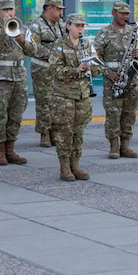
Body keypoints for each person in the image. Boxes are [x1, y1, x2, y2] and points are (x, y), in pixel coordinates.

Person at [0, 0, 41, 165]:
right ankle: (0, 151)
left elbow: (34, 50)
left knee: (16, 114)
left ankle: (10, 149)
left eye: (11, 9)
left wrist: (21, 40)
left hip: (19, 76)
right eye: (5, 10)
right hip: (0, 77)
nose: (9, 13)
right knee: (0, 114)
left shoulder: (23, 28)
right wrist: (4, 33)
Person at [47, 13, 100, 182]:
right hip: (64, 96)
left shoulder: (87, 44)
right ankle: (65, 168)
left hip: (83, 95)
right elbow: (54, 70)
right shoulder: (59, 45)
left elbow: (98, 68)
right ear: (68, 26)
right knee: (65, 132)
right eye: (77, 26)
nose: (80, 29)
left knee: (78, 132)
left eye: (82, 26)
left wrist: (91, 66)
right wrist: (76, 70)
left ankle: (75, 165)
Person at [93, 0, 138, 159]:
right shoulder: (104, 33)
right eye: (122, 13)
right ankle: (114, 146)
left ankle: (125, 146)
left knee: (130, 113)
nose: (125, 16)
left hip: (132, 79)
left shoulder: (134, 32)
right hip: (113, 80)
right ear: (113, 13)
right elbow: (95, 58)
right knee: (113, 114)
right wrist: (107, 72)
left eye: (127, 14)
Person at [28, 0, 64, 147]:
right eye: (58, 9)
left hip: (57, 70)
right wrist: (51, 55)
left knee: (56, 102)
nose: (61, 12)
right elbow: (32, 47)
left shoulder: (61, 24)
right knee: (44, 102)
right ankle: (44, 133)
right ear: (49, 8)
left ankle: (54, 132)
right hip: (42, 69)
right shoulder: (36, 25)